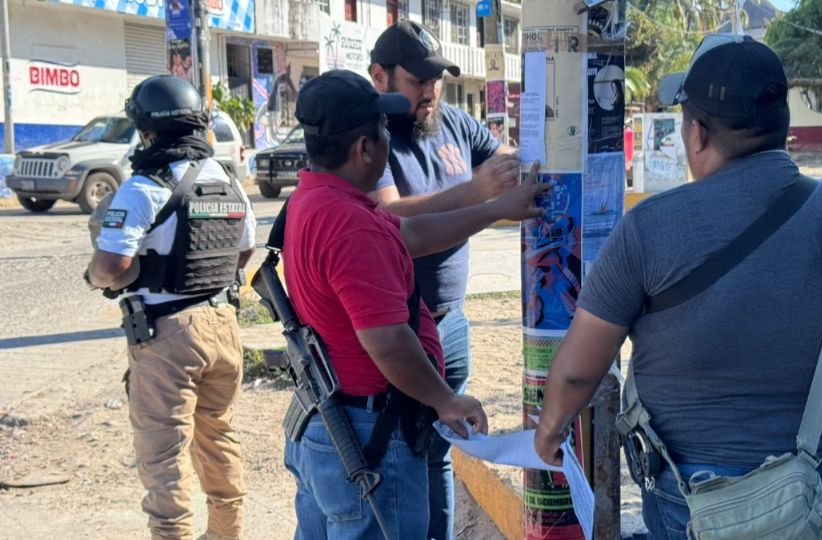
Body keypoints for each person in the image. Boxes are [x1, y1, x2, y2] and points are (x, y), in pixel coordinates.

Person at [533, 35, 822, 539]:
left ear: (697, 133)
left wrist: (550, 431)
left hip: (699, 499)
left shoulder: (650, 227)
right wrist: (821, 375)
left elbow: (577, 372)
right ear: (781, 124)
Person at [281, 70, 547, 539]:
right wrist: (446, 399)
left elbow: (408, 236)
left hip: (334, 421)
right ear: (364, 150)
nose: (388, 139)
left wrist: (494, 210)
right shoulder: (349, 223)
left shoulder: (318, 198)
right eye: (382, 131)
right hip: (370, 435)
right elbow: (388, 342)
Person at [367, 20, 524, 539]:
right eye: (417, 81)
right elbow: (395, 221)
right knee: (399, 459)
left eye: (436, 79)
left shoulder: (455, 123)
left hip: (450, 323)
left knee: (440, 449)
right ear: (380, 77)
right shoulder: (372, 137)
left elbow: (507, 164)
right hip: (396, 329)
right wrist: (480, 192)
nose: (430, 90)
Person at [86, 75, 256, 540]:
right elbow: (244, 250)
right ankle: (227, 533)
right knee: (218, 436)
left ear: (146, 131)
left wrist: (104, 277)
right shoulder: (226, 182)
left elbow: (111, 266)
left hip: (168, 336)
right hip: (224, 327)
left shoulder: (144, 187)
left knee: (163, 455)